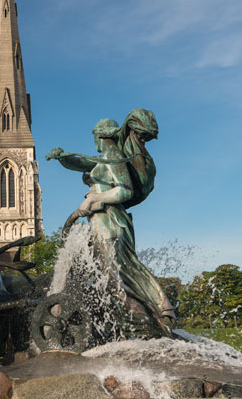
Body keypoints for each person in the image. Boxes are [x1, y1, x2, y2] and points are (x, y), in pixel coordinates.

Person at [46, 110, 175, 337]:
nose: (93, 141)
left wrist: (96, 199)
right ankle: (133, 323)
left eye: (95, 136)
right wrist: (62, 157)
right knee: (111, 276)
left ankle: (148, 323)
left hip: (111, 224)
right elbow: (83, 162)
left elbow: (125, 190)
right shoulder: (107, 157)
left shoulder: (113, 156)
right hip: (104, 223)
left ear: (100, 136)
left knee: (116, 276)